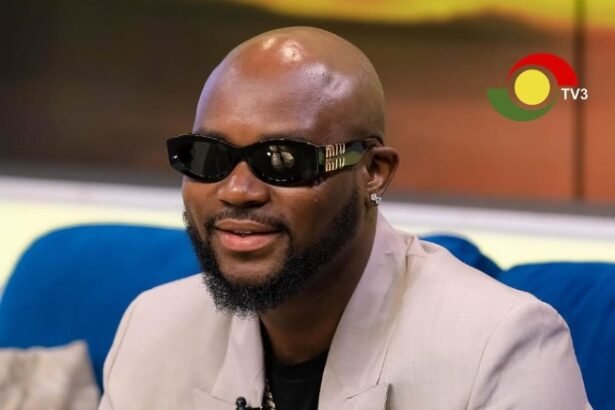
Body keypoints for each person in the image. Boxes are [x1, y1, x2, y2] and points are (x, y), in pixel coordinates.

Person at [99, 27, 590, 409]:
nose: (237, 190)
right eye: (209, 157)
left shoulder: (502, 345)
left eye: (283, 160)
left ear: (373, 172)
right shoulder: (152, 326)